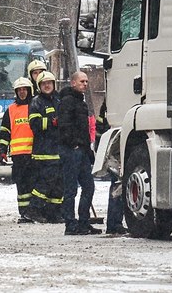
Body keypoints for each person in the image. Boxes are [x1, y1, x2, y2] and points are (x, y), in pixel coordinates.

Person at [58, 71, 102, 235]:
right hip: (71, 150)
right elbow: (64, 126)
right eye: (82, 81)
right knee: (71, 189)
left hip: (82, 150)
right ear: (73, 83)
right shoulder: (67, 101)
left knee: (89, 186)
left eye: (86, 81)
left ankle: (84, 222)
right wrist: (74, 144)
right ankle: (70, 224)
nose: (85, 84)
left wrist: (86, 148)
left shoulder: (80, 102)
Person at [27, 71, 63, 223]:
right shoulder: (36, 102)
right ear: (39, 86)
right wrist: (51, 122)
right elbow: (34, 124)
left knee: (59, 184)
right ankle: (33, 210)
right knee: (45, 183)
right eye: (44, 83)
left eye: (50, 83)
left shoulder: (59, 100)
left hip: (59, 150)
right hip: (43, 152)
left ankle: (53, 213)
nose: (47, 85)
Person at [0, 77, 35, 223]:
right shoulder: (11, 110)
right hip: (19, 156)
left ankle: (34, 211)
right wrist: (2, 149)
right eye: (19, 90)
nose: (22, 92)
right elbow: (5, 132)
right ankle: (24, 213)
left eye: (24, 89)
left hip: (35, 153)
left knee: (35, 184)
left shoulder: (36, 106)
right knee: (22, 186)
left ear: (29, 90)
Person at [95, 100, 128, 235]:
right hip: (115, 149)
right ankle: (114, 224)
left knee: (117, 185)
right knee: (117, 186)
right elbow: (101, 127)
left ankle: (114, 223)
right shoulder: (111, 105)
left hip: (114, 145)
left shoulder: (110, 103)